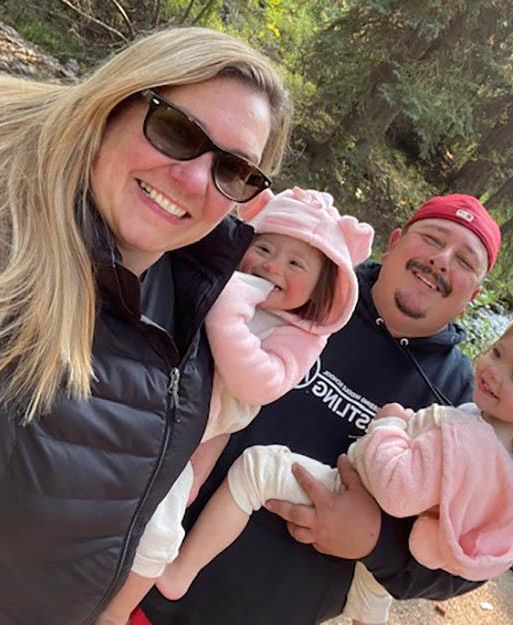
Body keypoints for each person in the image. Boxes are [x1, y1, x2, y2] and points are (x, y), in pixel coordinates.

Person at [0, 26, 291, 625]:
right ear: (115, 104)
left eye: (235, 169)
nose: (193, 180)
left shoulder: (196, 296)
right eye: (177, 131)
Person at [140, 194, 504, 625]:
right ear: (394, 242)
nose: (442, 260)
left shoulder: (464, 403)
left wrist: (376, 541)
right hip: (139, 566)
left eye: (464, 260)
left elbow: (474, 554)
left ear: (474, 294)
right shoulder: (309, 287)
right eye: (432, 238)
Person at [159, 304, 513, 624]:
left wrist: (389, 426)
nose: (492, 371)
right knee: (374, 588)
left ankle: (181, 569)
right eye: (497, 353)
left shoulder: (468, 430)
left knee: (258, 468)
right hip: (408, 543)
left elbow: (395, 488)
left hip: (365, 499)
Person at [94, 187, 373, 625]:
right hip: (143, 404)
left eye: (295, 263)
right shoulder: (222, 283)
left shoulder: (296, 334)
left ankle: (114, 612)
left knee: (160, 532)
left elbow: (260, 383)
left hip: (184, 441)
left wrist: (228, 313)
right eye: (264, 247)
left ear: (319, 287)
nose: (271, 265)